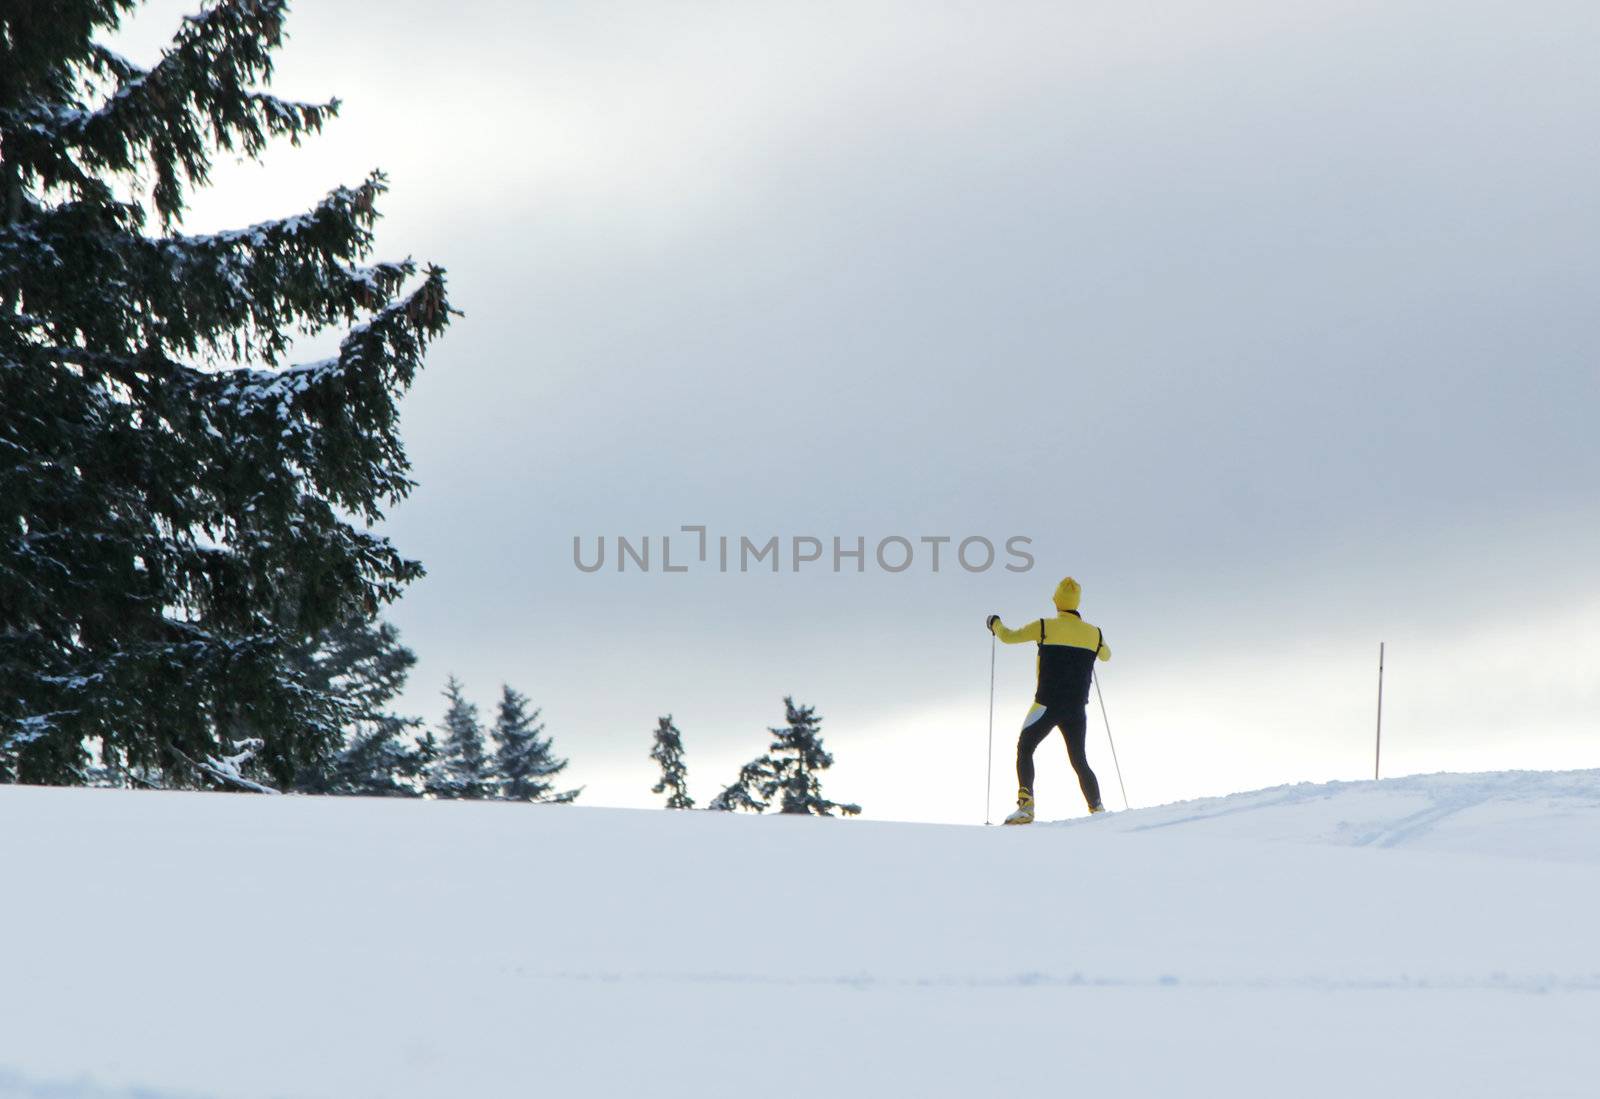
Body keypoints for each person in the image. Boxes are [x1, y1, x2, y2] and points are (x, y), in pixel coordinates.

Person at [987, 576, 1111, 824]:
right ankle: (1097, 808)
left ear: (1056, 600)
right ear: (1077, 602)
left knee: (1025, 747)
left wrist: (995, 623)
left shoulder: (1044, 626)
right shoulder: (1094, 633)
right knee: (1079, 758)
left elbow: (1009, 637)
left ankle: (1026, 806)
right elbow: (1106, 655)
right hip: (1077, 708)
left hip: (1046, 704)